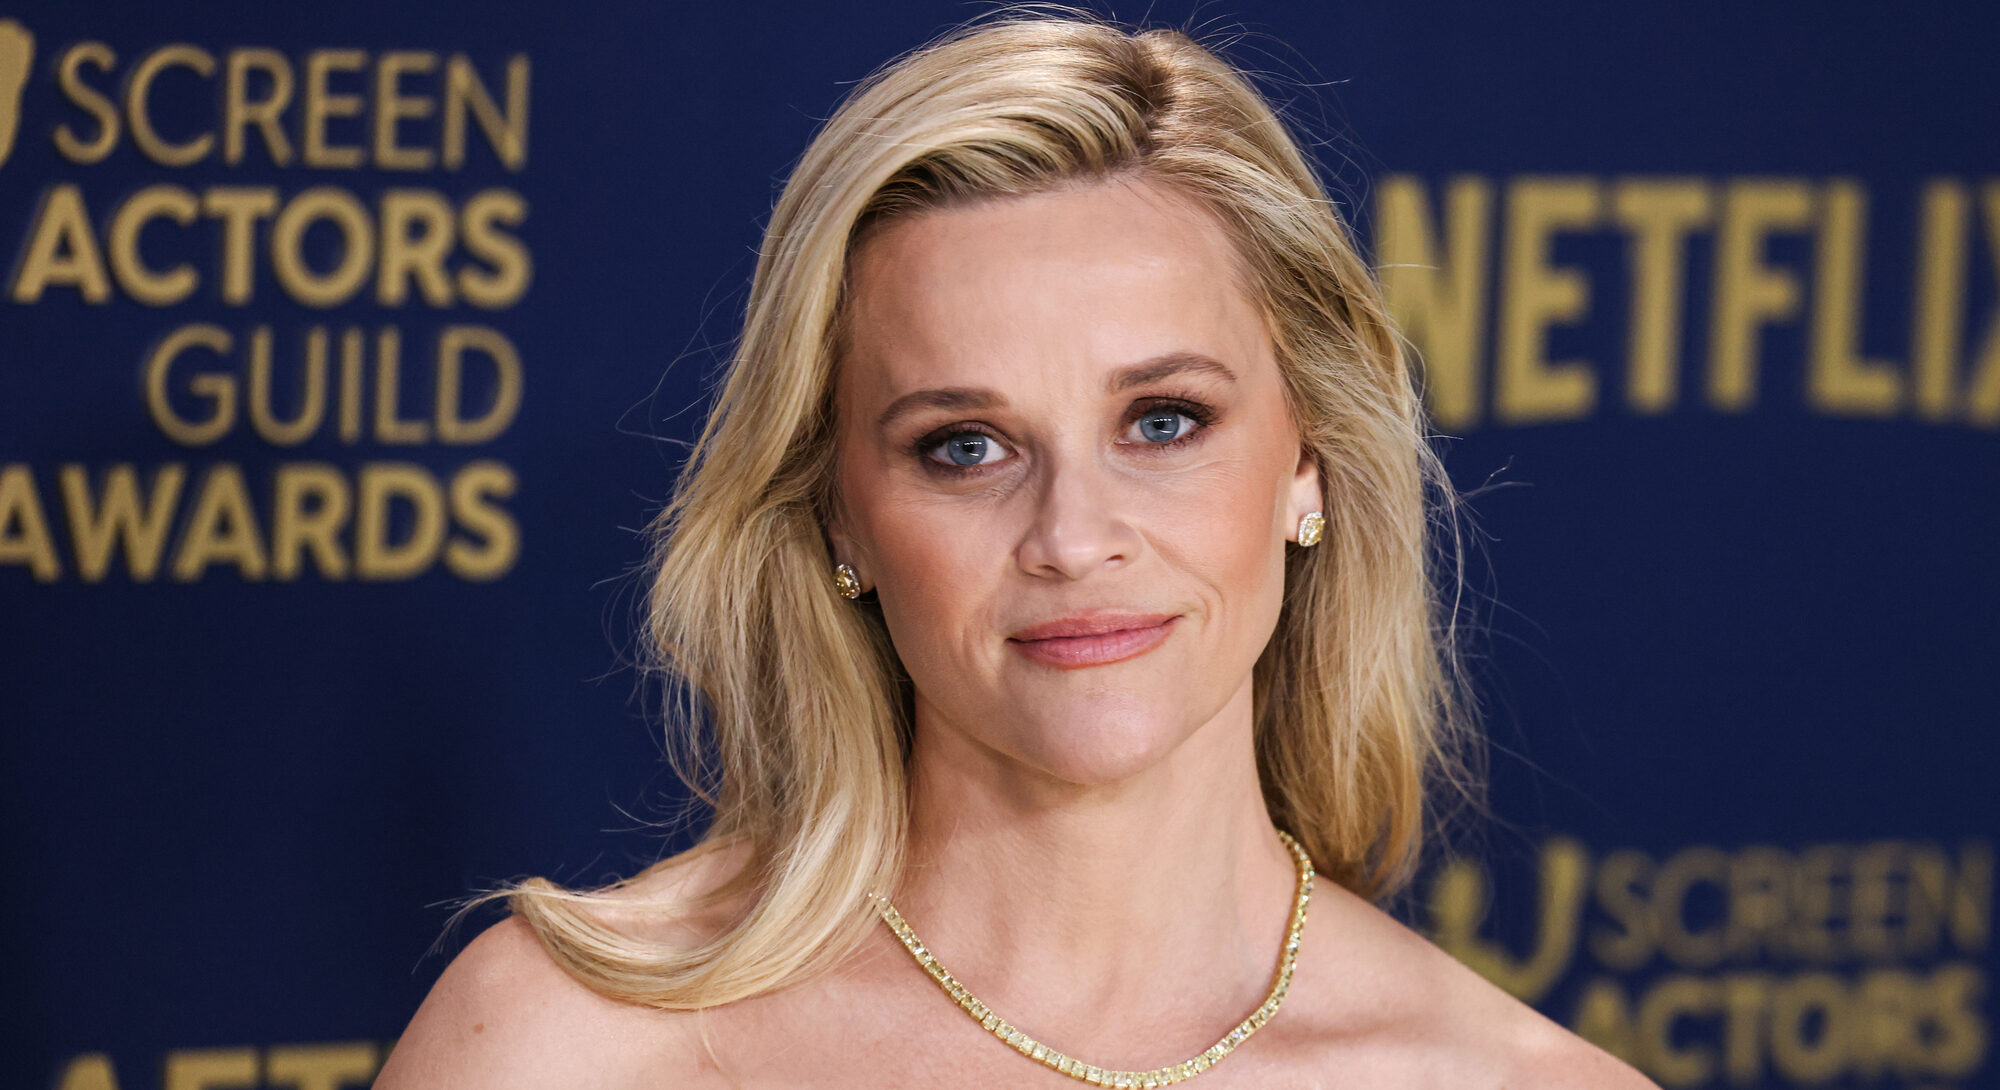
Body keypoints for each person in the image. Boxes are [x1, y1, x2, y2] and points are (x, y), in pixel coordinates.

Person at [376, 11, 1660, 1088]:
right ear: (838, 513)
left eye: (1163, 422)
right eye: (964, 445)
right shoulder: (563, 1045)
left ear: (1306, 461)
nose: (1071, 537)